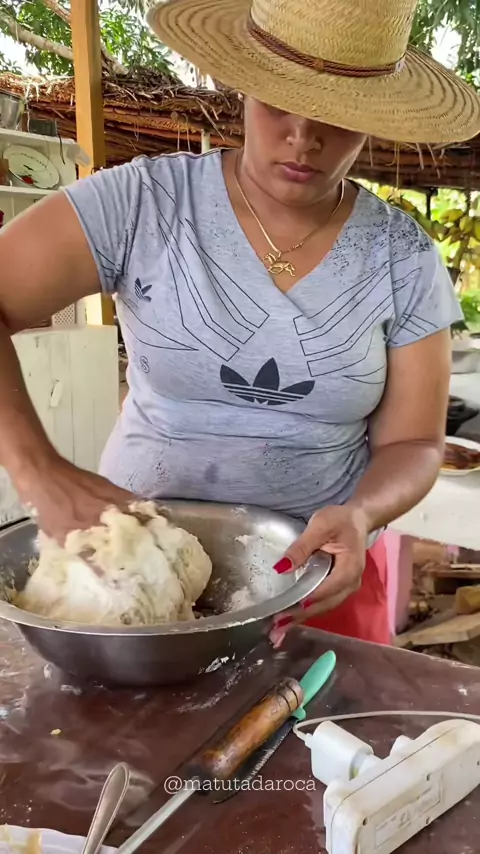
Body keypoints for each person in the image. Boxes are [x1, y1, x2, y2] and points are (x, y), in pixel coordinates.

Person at [0, 0, 478, 646]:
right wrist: (39, 471)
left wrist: (362, 514)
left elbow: (414, 444)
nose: (303, 137)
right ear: (245, 88)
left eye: (336, 115)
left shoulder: (401, 257)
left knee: (322, 711)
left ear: (371, 119)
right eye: (280, 103)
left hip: (317, 576)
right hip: (128, 571)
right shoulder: (144, 205)